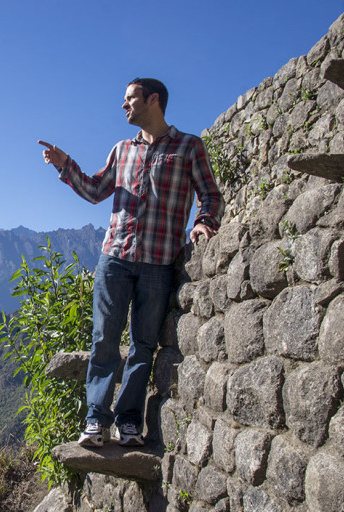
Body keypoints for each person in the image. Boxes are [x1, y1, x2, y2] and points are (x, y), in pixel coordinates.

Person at [39, 77, 224, 447]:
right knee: (104, 339)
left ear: (152, 99)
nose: (124, 106)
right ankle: (95, 421)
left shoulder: (189, 147)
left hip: (158, 262)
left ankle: (127, 422)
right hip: (115, 258)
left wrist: (204, 223)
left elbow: (211, 196)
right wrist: (65, 165)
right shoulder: (122, 150)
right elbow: (95, 190)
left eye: (130, 98)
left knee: (143, 345)